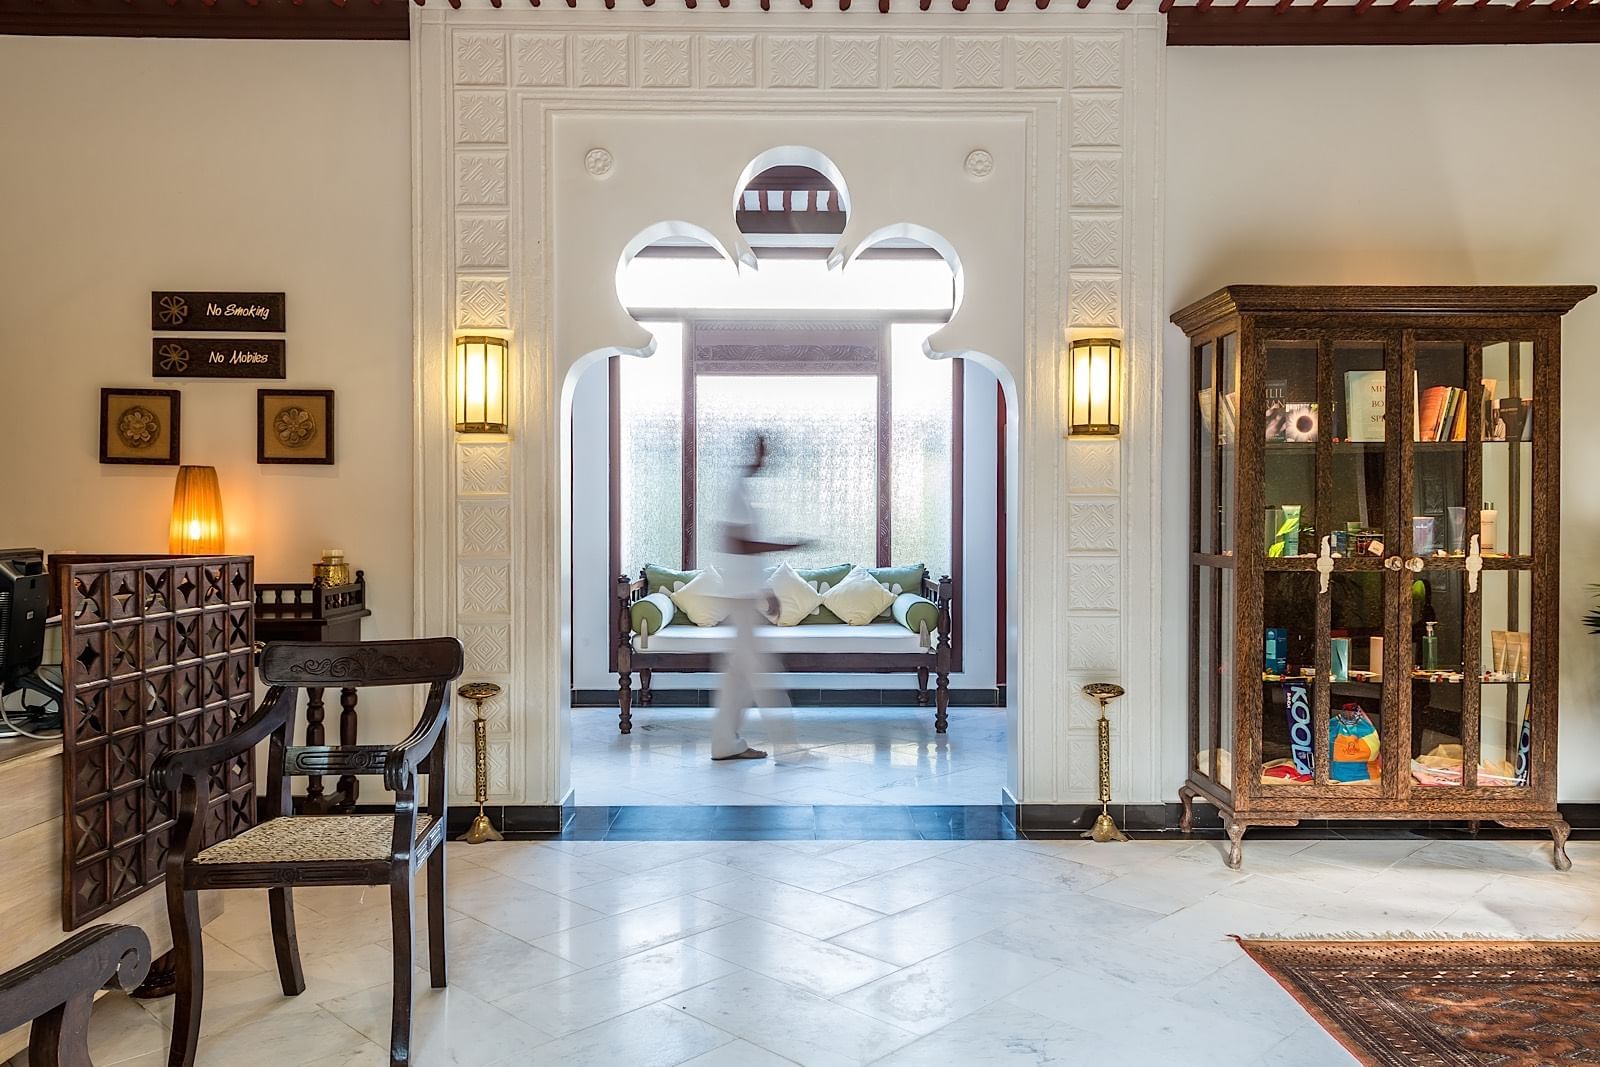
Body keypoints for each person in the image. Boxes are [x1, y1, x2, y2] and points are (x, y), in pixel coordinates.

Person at [712, 433, 807, 762]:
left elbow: (744, 549)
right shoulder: (737, 490)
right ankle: (789, 749)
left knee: (738, 676)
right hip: (740, 599)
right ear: (751, 452)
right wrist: (787, 546)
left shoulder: (743, 491)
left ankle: (725, 743)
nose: (766, 458)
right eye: (763, 451)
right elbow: (739, 544)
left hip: (745, 595)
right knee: (762, 674)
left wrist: (765, 590)